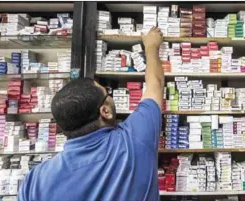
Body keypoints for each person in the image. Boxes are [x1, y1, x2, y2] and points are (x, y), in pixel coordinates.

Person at [18, 26, 164, 201]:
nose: (110, 96)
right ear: (105, 111)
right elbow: (155, 83)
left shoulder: (34, 181)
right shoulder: (134, 141)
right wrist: (151, 46)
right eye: (107, 93)